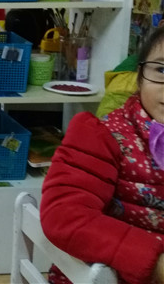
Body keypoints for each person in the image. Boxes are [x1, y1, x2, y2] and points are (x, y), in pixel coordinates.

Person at [41, 26, 164, 284]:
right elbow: (63, 215)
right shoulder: (102, 135)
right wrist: (153, 262)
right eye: (161, 70)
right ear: (139, 77)